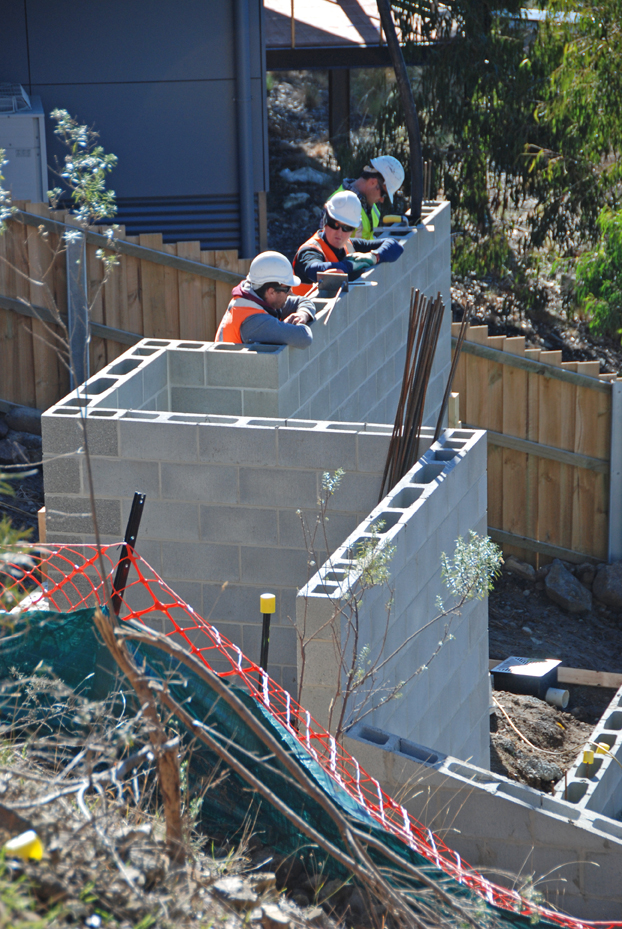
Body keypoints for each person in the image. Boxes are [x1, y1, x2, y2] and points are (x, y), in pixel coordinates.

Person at [293, 189, 403, 290]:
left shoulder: (349, 245)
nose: (339, 233)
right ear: (325, 220)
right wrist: (351, 265)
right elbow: (313, 270)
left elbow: (395, 246)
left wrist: (374, 257)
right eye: (334, 224)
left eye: (347, 228)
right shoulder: (310, 250)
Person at [215, 251, 315, 348]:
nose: (290, 293)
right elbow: (304, 337)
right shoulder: (254, 322)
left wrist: (303, 314)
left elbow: (303, 301)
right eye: (287, 288)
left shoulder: (259, 299)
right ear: (271, 292)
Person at [326, 155, 405, 240]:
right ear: (373, 182)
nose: (382, 200)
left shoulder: (370, 205)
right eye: (383, 194)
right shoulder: (338, 204)